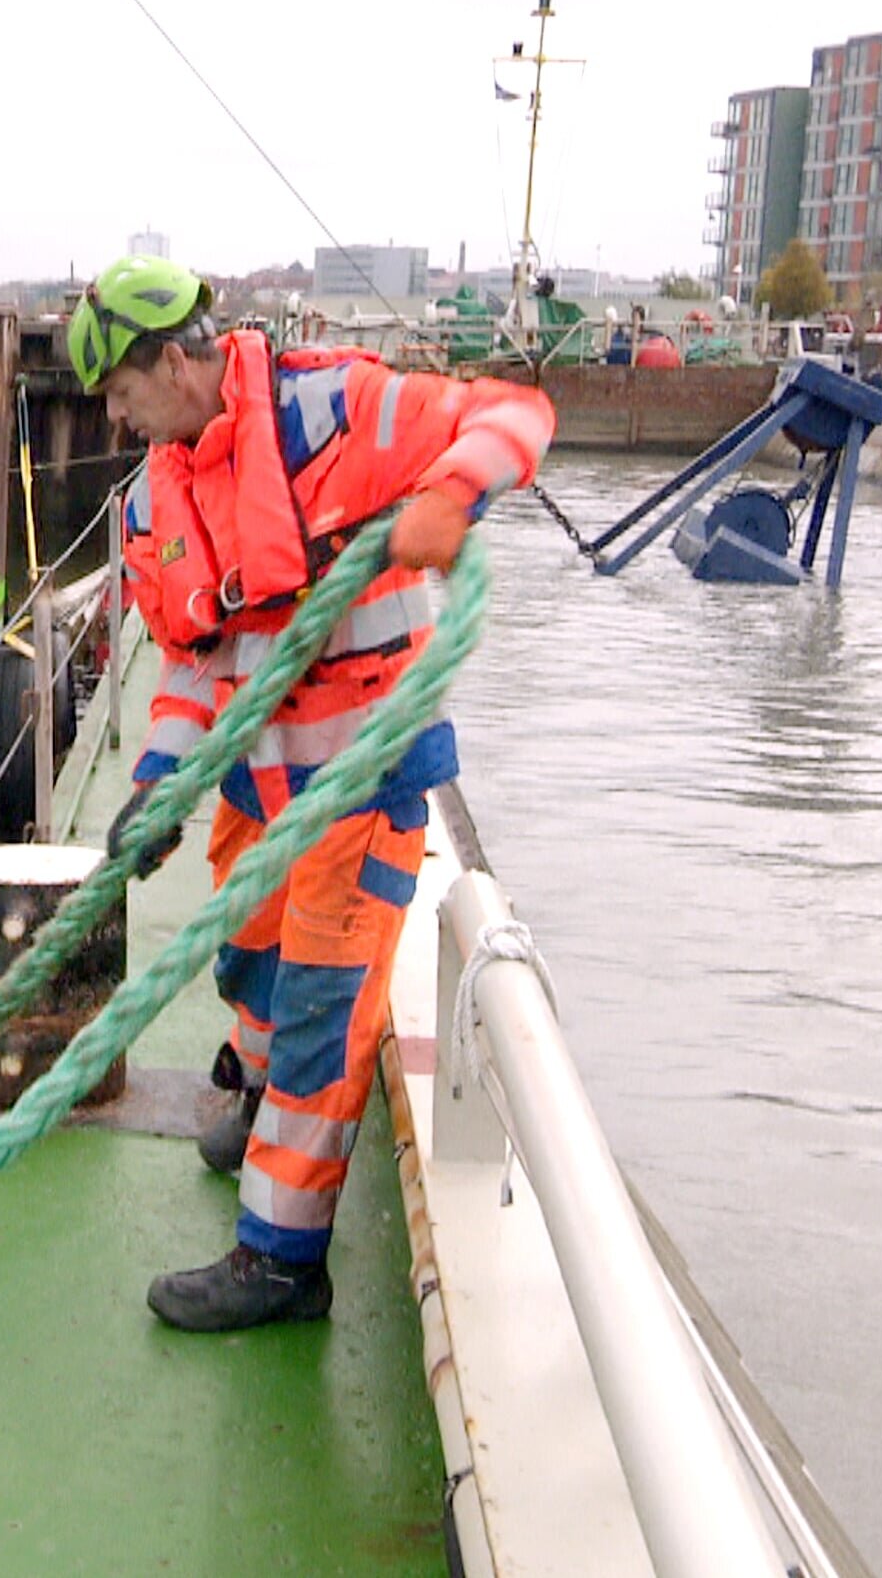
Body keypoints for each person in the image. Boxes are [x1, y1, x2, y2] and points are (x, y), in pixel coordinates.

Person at [66, 255, 554, 1332]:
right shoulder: (162, 493)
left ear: (174, 359)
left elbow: (515, 412)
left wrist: (449, 493)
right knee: (253, 951)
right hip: (261, 782)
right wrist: (156, 784)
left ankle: (281, 1261)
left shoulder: (335, 412)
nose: (111, 412)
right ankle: (250, 1085)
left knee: (326, 1012)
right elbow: (193, 661)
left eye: (120, 388)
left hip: (363, 779)